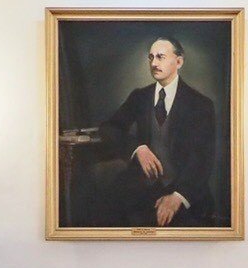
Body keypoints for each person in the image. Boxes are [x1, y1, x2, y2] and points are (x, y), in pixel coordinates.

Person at [80, 35, 219, 228]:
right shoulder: (140, 97)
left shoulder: (200, 104)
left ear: (179, 62)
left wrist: (178, 197)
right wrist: (138, 148)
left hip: (185, 193)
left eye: (160, 57)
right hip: (142, 190)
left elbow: (202, 160)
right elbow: (109, 128)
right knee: (99, 213)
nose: (154, 63)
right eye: (151, 57)